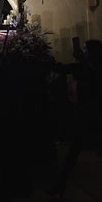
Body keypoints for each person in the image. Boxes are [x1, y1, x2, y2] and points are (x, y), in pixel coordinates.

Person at [47, 39, 102, 198]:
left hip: (90, 116)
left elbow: (63, 69)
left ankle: (61, 184)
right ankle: (61, 184)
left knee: (75, 150)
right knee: (74, 151)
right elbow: (63, 69)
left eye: (85, 49)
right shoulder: (87, 66)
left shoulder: (88, 68)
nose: (82, 51)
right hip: (88, 116)